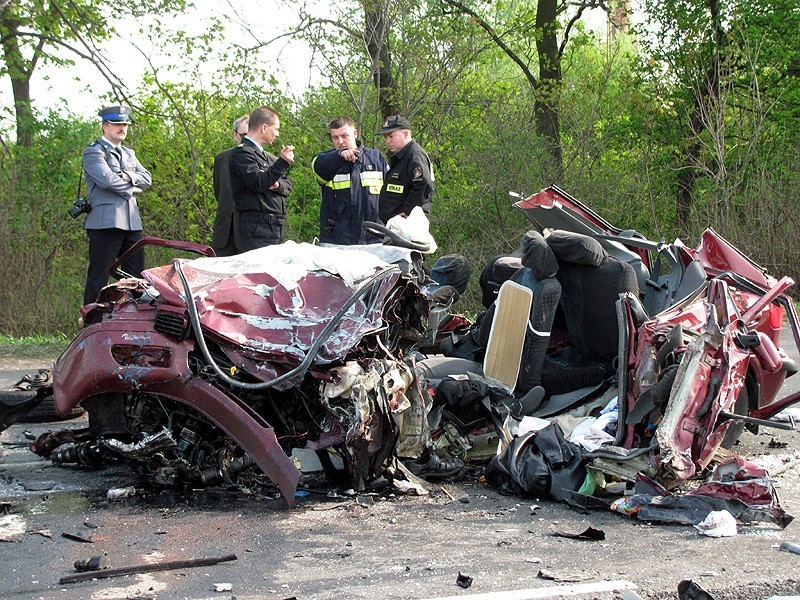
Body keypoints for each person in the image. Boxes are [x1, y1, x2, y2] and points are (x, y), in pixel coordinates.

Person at [82, 105, 152, 306]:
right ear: (105, 126)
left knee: (137, 279)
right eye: (116, 124)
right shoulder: (94, 152)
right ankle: (91, 323)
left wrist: (127, 175)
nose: (122, 128)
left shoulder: (129, 153)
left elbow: (147, 178)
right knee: (99, 277)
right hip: (105, 224)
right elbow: (106, 180)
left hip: (131, 224)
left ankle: (135, 326)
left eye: (124, 124)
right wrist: (132, 188)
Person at [310, 117, 388, 245]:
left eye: (344, 136)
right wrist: (339, 156)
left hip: (374, 240)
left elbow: (390, 196)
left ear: (355, 134)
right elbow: (318, 165)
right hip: (337, 242)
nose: (340, 141)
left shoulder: (376, 158)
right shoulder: (326, 161)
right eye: (335, 137)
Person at [228, 106, 294, 251]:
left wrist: (276, 185)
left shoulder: (266, 157)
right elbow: (258, 183)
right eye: (275, 129)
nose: (277, 134)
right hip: (256, 231)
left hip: (275, 229)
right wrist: (282, 162)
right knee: (257, 274)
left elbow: (288, 185)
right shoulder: (242, 154)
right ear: (264, 128)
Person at [377, 115, 434, 224]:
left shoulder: (415, 156)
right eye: (385, 137)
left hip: (408, 225)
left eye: (391, 136)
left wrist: (407, 213)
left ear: (406, 134)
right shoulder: (401, 157)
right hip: (396, 226)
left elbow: (423, 186)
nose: (387, 141)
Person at [211, 115, 249, 256]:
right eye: (243, 135)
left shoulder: (268, 160)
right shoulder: (221, 159)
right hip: (224, 234)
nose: (246, 139)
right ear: (235, 135)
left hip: (249, 236)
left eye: (249, 135)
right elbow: (219, 191)